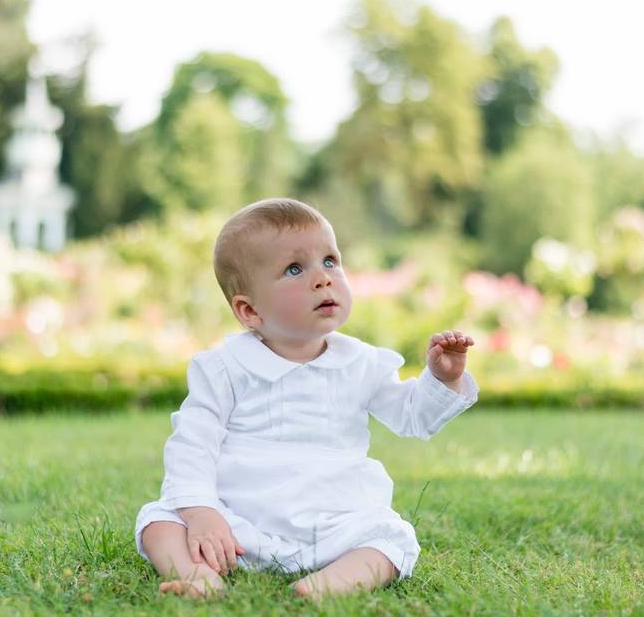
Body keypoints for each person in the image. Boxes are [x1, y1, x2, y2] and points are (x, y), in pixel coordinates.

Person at [135, 198, 478, 599]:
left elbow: (412, 417)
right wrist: (202, 513)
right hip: (238, 526)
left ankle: (323, 585)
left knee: (393, 539)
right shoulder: (225, 368)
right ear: (249, 310)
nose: (323, 278)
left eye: (330, 260)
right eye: (295, 269)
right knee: (160, 520)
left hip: (335, 524)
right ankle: (200, 577)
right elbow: (192, 444)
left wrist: (442, 379)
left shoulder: (361, 363)